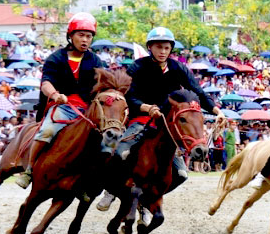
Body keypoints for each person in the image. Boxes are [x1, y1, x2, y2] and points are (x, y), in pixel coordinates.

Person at [96, 27, 224, 211]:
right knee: (120, 152)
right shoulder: (138, 67)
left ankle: (146, 200)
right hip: (140, 119)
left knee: (180, 174)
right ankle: (111, 190)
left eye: (166, 47)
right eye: (158, 47)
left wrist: (216, 110)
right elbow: (127, 95)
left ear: (171, 48)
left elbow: (198, 92)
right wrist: (146, 107)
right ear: (150, 47)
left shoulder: (178, 68)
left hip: (167, 124)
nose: (163, 51)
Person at [15, 12, 105, 188]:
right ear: (71, 36)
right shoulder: (56, 58)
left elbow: (104, 83)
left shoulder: (95, 60)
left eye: (88, 36)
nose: (85, 39)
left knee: (107, 138)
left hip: (88, 110)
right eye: (81, 35)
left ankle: (93, 181)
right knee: (46, 131)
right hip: (63, 106)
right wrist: (56, 95)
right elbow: (45, 83)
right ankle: (30, 171)